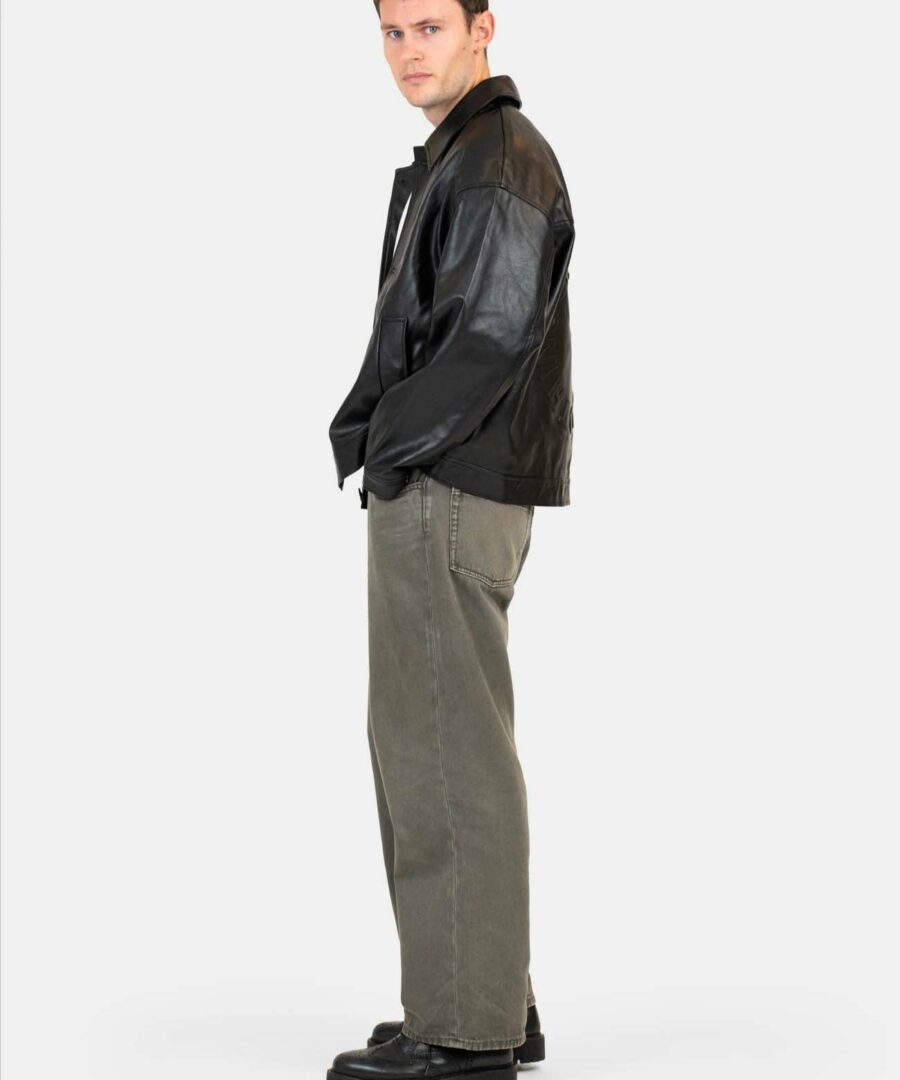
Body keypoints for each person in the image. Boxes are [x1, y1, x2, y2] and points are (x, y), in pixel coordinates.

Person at [327, 2, 575, 1077]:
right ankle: (484, 999)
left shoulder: (496, 163)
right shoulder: (470, 156)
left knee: (440, 750)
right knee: (439, 743)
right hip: (451, 479)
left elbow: (488, 336)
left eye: (429, 26)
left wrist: (390, 447)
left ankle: (465, 1033)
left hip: (446, 481)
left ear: (484, 27)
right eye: (391, 32)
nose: (408, 52)